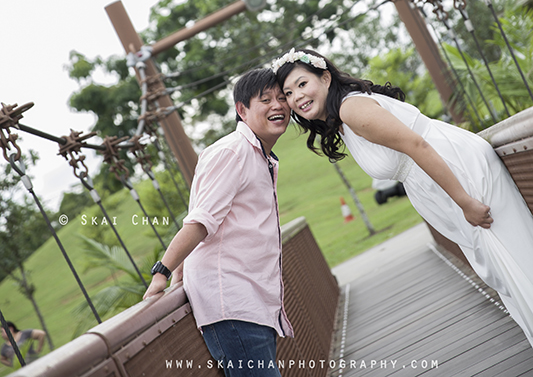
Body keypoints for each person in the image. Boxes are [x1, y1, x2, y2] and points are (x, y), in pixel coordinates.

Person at [273, 47, 533, 347]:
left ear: (326, 78)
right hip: (441, 182)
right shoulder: (343, 118)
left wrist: (465, 201)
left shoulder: (350, 109)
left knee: (515, 262)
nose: (296, 97)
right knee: (506, 269)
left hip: (459, 174)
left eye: (302, 84)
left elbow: (416, 145)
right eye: (288, 93)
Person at [143, 68, 293, 375]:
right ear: (242, 110)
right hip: (233, 305)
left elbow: (205, 212)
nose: (278, 105)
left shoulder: (261, 157)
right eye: (266, 99)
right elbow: (199, 221)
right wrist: (163, 271)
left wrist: (181, 268)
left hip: (253, 301)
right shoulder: (232, 152)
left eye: (282, 98)